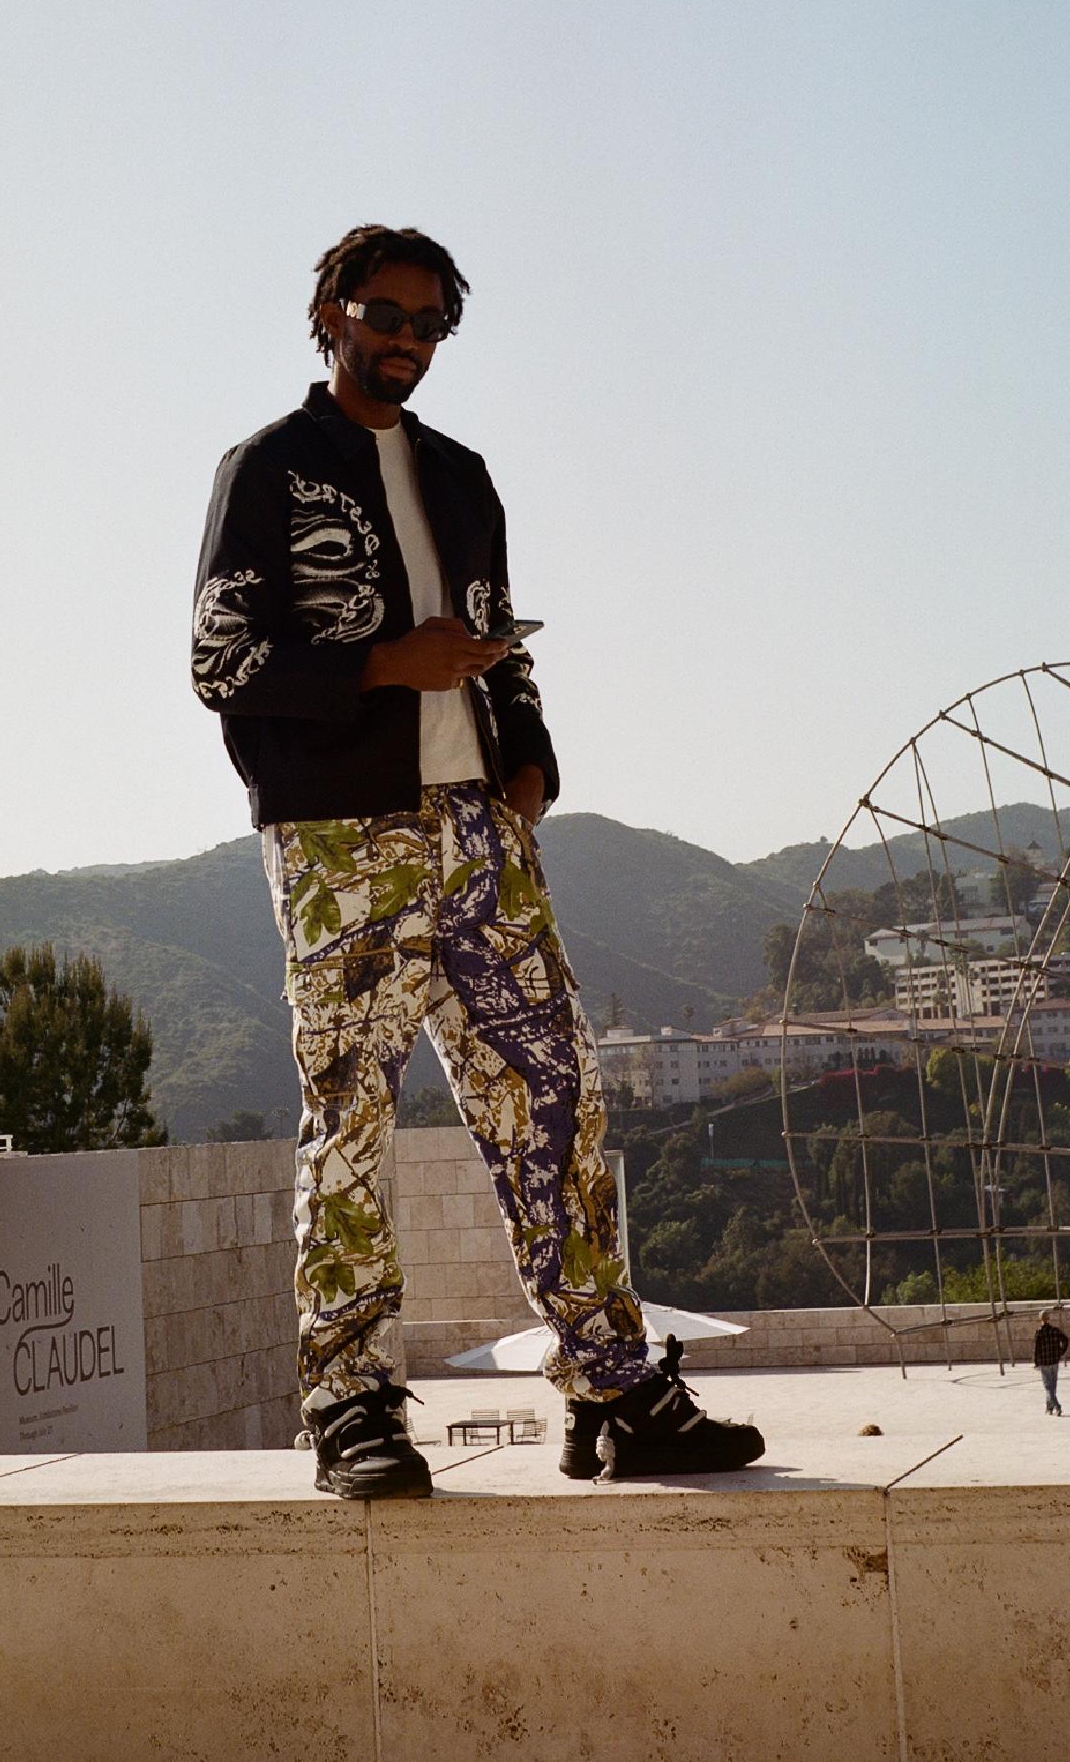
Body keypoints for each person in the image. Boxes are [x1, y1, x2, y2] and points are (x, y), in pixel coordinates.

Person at [192, 224, 766, 1500]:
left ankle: (612, 1385)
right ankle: (349, 1402)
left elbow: (503, 644)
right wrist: (387, 666)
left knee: (557, 1102)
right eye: (385, 313)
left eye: (431, 323)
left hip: (479, 835)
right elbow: (220, 664)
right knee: (351, 1114)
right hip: (342, 845)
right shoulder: (268, 470)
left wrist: (530, 770)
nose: (407, 339)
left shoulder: (464, 477)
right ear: (330, 312)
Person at [1032, 1308, 1068, 1414]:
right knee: (1053, 1385)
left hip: (1044, 1362)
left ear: (1040, 1319)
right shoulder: (1055, 1330)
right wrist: (1061, 1352)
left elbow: (1036, 1349)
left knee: (1048, 1386)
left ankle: (1057, 1406)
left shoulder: (1039, 1332)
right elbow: (1065, 1340)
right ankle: (1049, 1408)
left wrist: (1036, 1362)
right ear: (1049, 1318)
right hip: (1054, 1361)